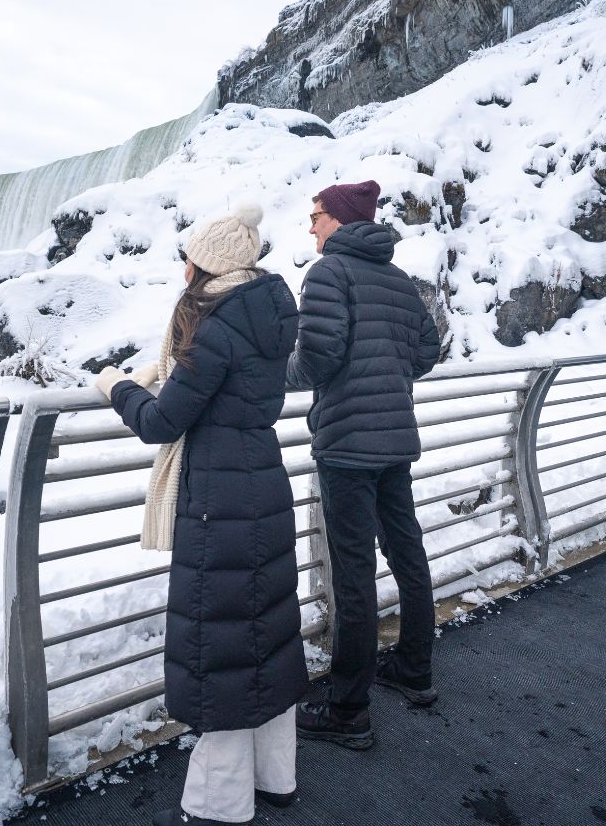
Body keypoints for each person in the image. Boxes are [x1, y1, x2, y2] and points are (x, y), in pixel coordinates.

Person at [95, 201, 307, 826]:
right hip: (262, 483)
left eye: (189, 256)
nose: (183, 266)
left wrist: (116, 386)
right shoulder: (266, 309)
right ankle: (276, 779)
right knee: (265, 633)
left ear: (208, 264)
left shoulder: (215, 324)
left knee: (222, 648)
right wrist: (167, 369)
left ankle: (220, 805)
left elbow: (162, 420)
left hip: (219, 499)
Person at [286, 180, 441, 751]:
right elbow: (427, 350)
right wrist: (387, 377)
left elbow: (319, 359)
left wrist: (278, 373)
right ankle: (414, 670)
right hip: (395, 438)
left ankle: (348, 709)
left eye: (316, 215)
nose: (311, 226)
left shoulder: (329, 273)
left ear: (341, 220)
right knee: (406, 551)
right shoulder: (397, 279)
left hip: (348, 445)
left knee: (352, 573)